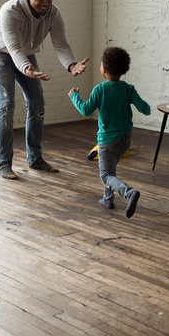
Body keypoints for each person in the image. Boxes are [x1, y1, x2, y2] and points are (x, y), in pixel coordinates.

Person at [0, 0, 89, 179]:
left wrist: (71, 64)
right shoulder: (10, 11)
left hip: (26, 53)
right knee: (6, 105)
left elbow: (60, 43)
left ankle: (35, 159)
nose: (45, 3)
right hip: (1, 52)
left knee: (37, 104)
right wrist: (27, 69)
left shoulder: (54, 13)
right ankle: (4, 163)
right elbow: (13, 48)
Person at [68, 46, 151, 218]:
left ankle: (129, 193)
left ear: (103, 69)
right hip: (126, 139)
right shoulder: (128, 89)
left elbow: (85, 110)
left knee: (105, 175)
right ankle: (108, 199)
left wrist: (74, 96)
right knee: (110, 169)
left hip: (107, 141)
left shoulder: (100, 89)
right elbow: (145, 109)